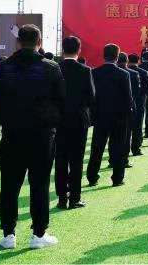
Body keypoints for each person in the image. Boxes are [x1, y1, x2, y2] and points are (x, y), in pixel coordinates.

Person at [0, 24, 64, 249]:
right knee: (40, 184)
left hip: (12, 135)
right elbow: (61, 101)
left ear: (18, 42)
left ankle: (8, 234)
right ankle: (39, 234)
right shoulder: (51, 67)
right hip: (41, 136)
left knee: (9, 186)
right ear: (39, 42)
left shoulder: (4, 67)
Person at [56, 36, 95, 210]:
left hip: (58, 120)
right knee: (76, 160)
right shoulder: (85, 70)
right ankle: (75, 198)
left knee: (60, 160)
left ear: (63, 50)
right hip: (79, 120)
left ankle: (61, 198)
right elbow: (91, 97)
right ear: (79, 50)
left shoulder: (55, 68)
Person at [88, 44, 134, 187]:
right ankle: (117, 178)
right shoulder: (124, 74)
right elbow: (128, 98)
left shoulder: (94, 72)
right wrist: (128, 115)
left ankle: (92, 177)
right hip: (120, 117)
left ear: (104, 55)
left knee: (97, 148)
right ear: (117, 56)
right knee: (119, 148)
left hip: (100, 116)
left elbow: (91, 97)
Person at [126, 54, 148, 155]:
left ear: (128, 61)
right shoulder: (143, 72)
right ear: (138, 61)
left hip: (125, 105)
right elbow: (146, 89)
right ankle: (136, 149)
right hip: (139, 103)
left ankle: (124, 151)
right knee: (138, 127)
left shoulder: (124, 71)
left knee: (125, 129)